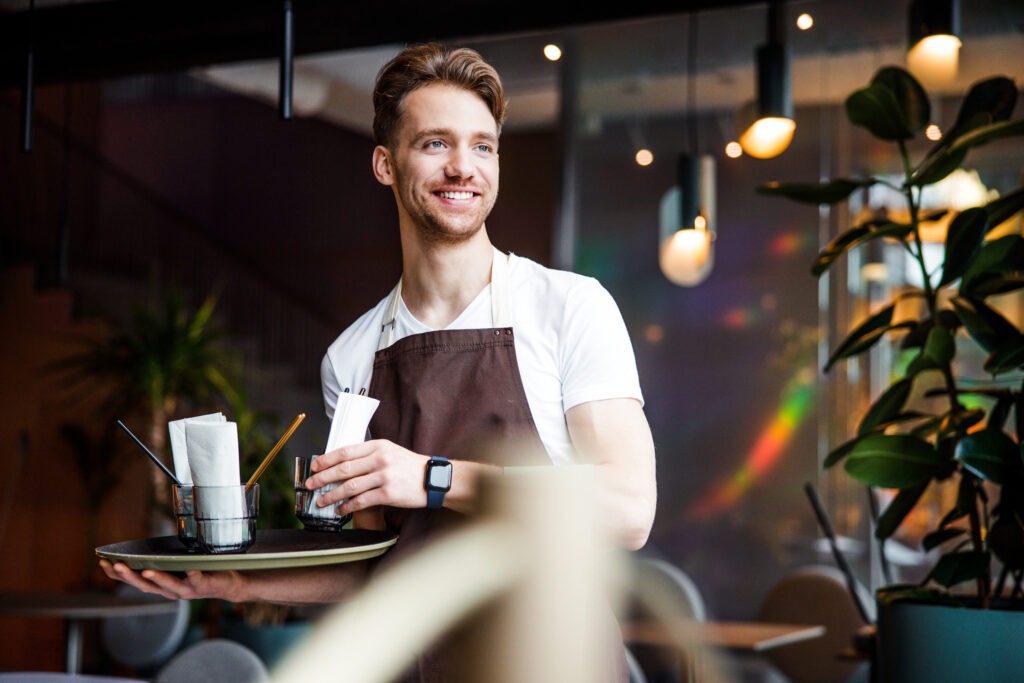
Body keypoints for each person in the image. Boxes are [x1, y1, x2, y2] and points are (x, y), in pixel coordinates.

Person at [101, 42, 657, 681]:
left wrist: (433, 478)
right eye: (435, 144)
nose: (463, 168)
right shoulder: (352, 356)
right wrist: (235, 583)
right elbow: (376, 564)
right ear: (385, 164)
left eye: (482, 146)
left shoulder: (569, 307)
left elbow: (627, 511)